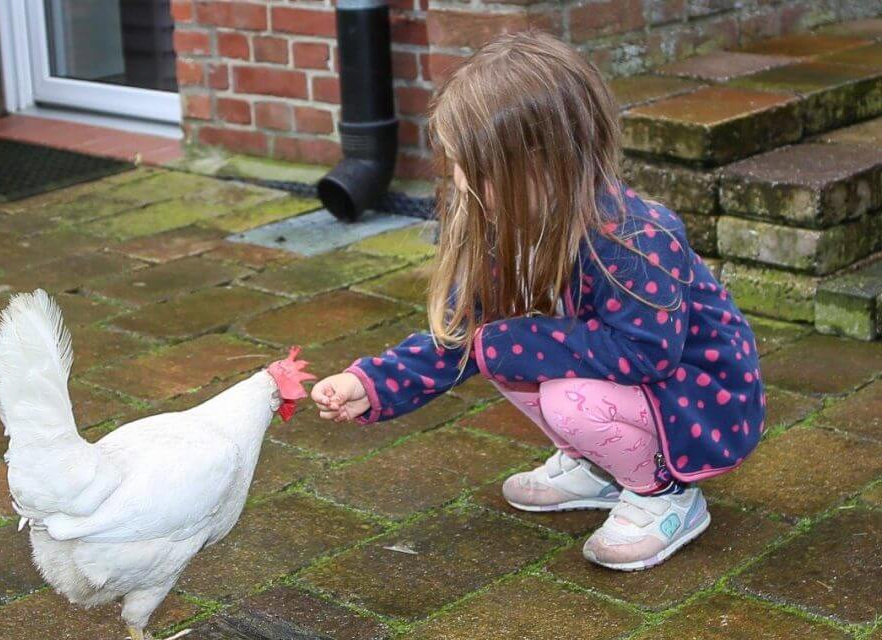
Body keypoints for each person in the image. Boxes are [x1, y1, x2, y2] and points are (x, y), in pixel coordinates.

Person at [311, 30, 765, 572]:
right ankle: (596, 465)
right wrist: (373, 383)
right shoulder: (513, 228)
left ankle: (663, 495)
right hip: (638, 392)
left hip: (701, 400)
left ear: (542, 162)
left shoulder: (634, 239)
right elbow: (463, 335)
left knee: (539, 375)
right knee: (498, 349)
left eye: (475, 166)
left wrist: (516, 341)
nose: (458, 179)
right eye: (457, 161)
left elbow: (649, 354)